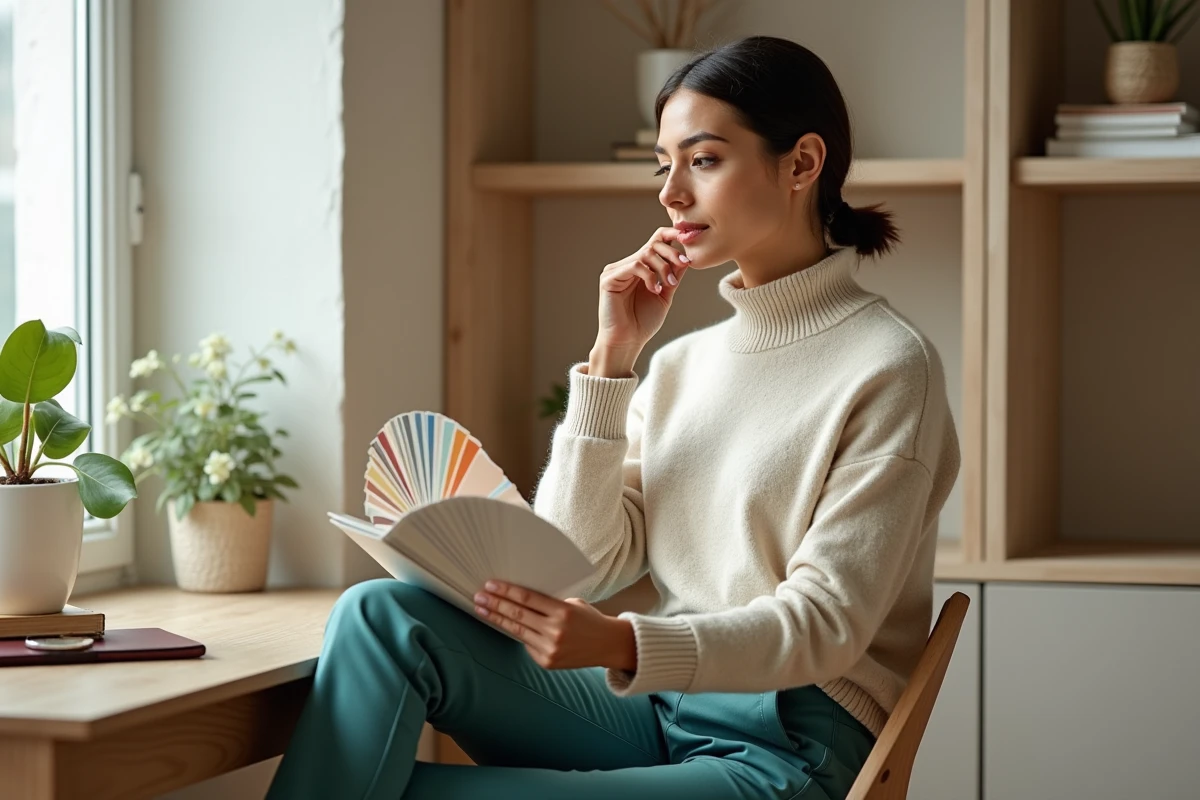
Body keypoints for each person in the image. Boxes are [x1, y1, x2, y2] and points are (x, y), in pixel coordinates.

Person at [265, 35, 960, 800]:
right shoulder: (681, 365)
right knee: (381, 614)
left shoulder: (891, 366)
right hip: (660, 712)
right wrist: (610, 359)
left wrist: (625, 640)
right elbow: (583, 561)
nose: (670, 192)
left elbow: (827, 625)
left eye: (703, 159)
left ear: (801, 163)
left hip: (788, 748)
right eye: (664, 165)